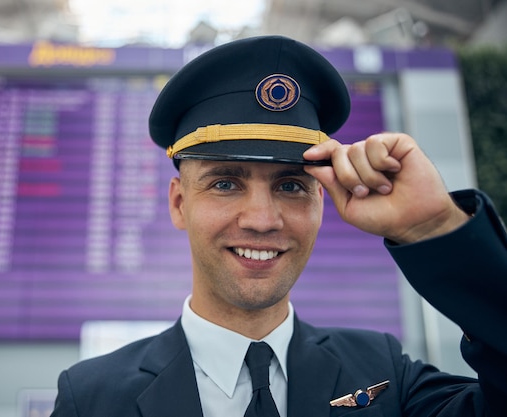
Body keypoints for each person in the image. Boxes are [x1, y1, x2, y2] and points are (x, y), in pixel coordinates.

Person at [50, 35, 507, 417]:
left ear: (322, 201)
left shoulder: (388, 375)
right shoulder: (91, 398)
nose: (263, 220)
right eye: (226, 183)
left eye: (291, 186)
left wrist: (435, 229)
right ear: (178, 204)